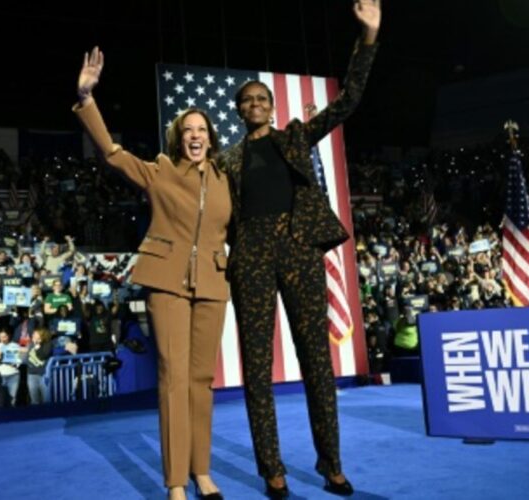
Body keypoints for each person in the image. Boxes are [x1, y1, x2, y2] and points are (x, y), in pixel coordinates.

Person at [217, 1, 380, 496]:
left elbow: (349, 99)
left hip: (299, 248)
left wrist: (368, 36)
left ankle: (332, 465)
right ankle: (273, 470)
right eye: (246, 101)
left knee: (316, 362)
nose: (255, 105)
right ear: (239, 110)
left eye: (261, 98)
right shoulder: (226, 159)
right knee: (258, 369)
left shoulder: (296, 137)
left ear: (272, 104)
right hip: (251, 255)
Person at [74, 46, 231, 500]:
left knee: (202, 381)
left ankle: (202, 472)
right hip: (166, 282)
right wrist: (87, 97)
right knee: (173, 377)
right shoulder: (160, 170)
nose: (195, 136)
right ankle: (176, 482)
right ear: (177, 136)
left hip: (213, 283)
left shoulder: (226, 179)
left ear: (211, 136)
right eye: (188, 130)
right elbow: (111, 152)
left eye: (202, 130)